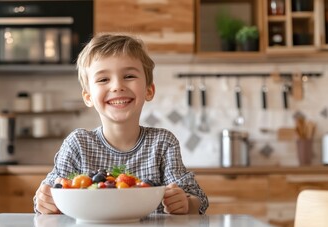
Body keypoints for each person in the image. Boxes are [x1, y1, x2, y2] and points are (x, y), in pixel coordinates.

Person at [34, 33, 208, 215]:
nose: (117, 86)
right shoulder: (78, 144)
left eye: (129, 76)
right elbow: (48, 196)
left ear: (149, 90)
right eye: (103, 79)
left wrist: (186, 203)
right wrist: (44, 201)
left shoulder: (162, 143)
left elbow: (198, 199)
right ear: (88, 97)